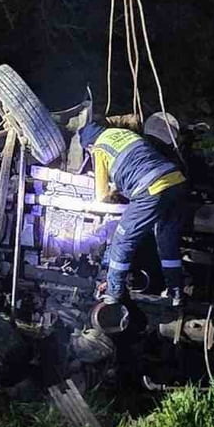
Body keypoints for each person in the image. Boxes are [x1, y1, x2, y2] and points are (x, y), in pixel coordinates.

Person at [79, 121, 188, 306]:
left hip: (151, 189)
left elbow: (102, 195)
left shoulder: (99, 147)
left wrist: (114, 193)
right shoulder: (122, 133)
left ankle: (113, 292)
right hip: (176, 181)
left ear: (89, 145)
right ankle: (175, 292)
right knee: (166, 240)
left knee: (122, 240)